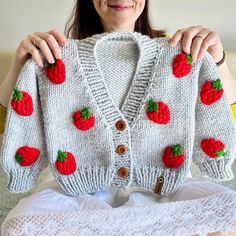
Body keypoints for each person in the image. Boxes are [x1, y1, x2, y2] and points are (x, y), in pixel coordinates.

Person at [0, 0, 236, 235]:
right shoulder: (53, 56)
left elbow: (223, 118)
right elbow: (12, 125)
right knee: (19, 227)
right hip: (75, 192)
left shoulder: (182, 53)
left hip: (167, 189)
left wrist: (218, 61)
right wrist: (19, 66)